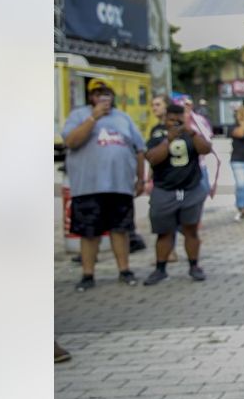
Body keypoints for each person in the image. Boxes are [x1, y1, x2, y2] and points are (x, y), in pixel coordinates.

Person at [62, 78, 147, 291]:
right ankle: (88, 274)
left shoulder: (123, 118)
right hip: (88, 186)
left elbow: (139, 149)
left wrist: (140, 178)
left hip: (119, 185)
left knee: (121, 230)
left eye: (107, 93)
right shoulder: (79, 116)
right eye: (98, 93)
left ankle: (124, 270)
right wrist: (93, 118)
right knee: (89, 232)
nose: (103, 97)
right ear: (91, 97)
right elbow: (71, 141)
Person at [144, 103, 212, 284]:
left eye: (179, 119)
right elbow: (152, 158)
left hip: (190, 188)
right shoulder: (158, 132)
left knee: (191, 230)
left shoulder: (191, 131)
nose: (175, 123)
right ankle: (160, 269)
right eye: (171, 119)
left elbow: (206, 149)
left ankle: (194, 266)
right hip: (165, 189)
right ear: (166, 118)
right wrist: (168, 139)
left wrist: (192, 133)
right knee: (163, 232)